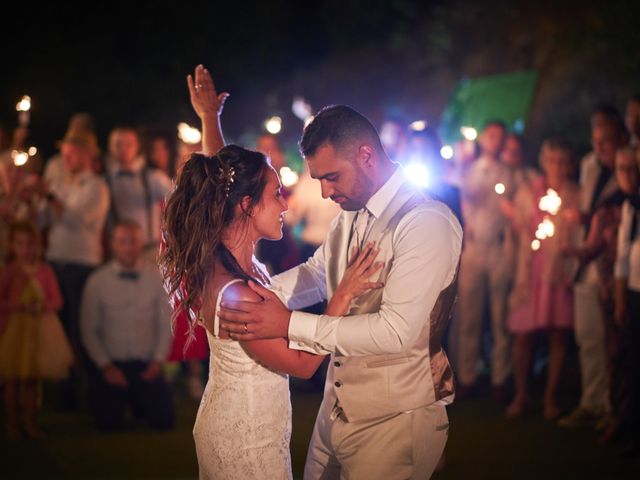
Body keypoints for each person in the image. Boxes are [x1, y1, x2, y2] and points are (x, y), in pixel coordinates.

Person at [160, 65, 381, 479]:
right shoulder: (237, 296)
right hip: (245, 441)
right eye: (275, 193)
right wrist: (343, 295)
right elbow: (301, 365)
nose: (284, 203)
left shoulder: (222, 258)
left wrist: (210, 119)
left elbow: (218, 178)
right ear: (245, 205)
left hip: (245, 423)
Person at [218, 104, 462, 479]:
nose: (325, 191)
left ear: (365, 155)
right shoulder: (351, 213)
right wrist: (244, 292)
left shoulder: (426, 222)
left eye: (331, 177)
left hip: (395, 420)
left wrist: (289, 324)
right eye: (318, 179)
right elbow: (319, 274)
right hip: (334, 407)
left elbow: (395, 332)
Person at [558, 109, 626, 428]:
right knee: (587, 336)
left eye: (606, 140)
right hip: (586, 263)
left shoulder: (627, 170)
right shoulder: (588, 165)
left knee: (615, 342)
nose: (600, 147)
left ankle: (615, 408)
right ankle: (592, 401)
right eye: (595, 140)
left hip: (613, 266)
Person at [504, 138, 580, 419]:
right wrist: (516, 222)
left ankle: (550, 398)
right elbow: (517, 228)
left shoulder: (574, 194)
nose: (557, 167)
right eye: (552, 161)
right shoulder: (529, 191)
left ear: (569, 165)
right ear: (544, 162)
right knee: (523, 335)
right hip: (530, 272)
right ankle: (521, 394)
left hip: (558, 272)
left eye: (562, 162)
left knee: (557, 334)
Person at [80, 220, 175, 431]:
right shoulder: (97, 281)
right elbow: (88, 330)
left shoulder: (157, 278)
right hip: (112, 366)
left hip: (146, 365)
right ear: (113, 244)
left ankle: (140, 401)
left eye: (133, 241)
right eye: (123, 242)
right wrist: (105, 366)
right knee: (107, 423)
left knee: (163, 420)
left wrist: (157, 362)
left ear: (141, 243)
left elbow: (165, 324)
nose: (128, 247)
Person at [452, 120, 514, 400]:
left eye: (500, 136)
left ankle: (501, 377)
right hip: (474, 250)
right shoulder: (470, 170)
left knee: (501, 315)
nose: (495, 141)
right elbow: (462, 193)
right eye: (491, 136)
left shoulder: (510, 173)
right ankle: (467, 376)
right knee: (469, 315)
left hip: (499, 249)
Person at [0, 222, 73, 439]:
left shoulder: (45, 271)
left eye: (31, 244)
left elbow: (57, 300)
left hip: (40, 330)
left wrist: (42, 307)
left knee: (32, 380)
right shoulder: (10, 271)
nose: (26, 249)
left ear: (39, 245)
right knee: (13, 379)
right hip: (15, 332)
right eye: (21, 244)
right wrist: (19, 307)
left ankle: (31, 422)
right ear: (13, 246)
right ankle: (13, 423)